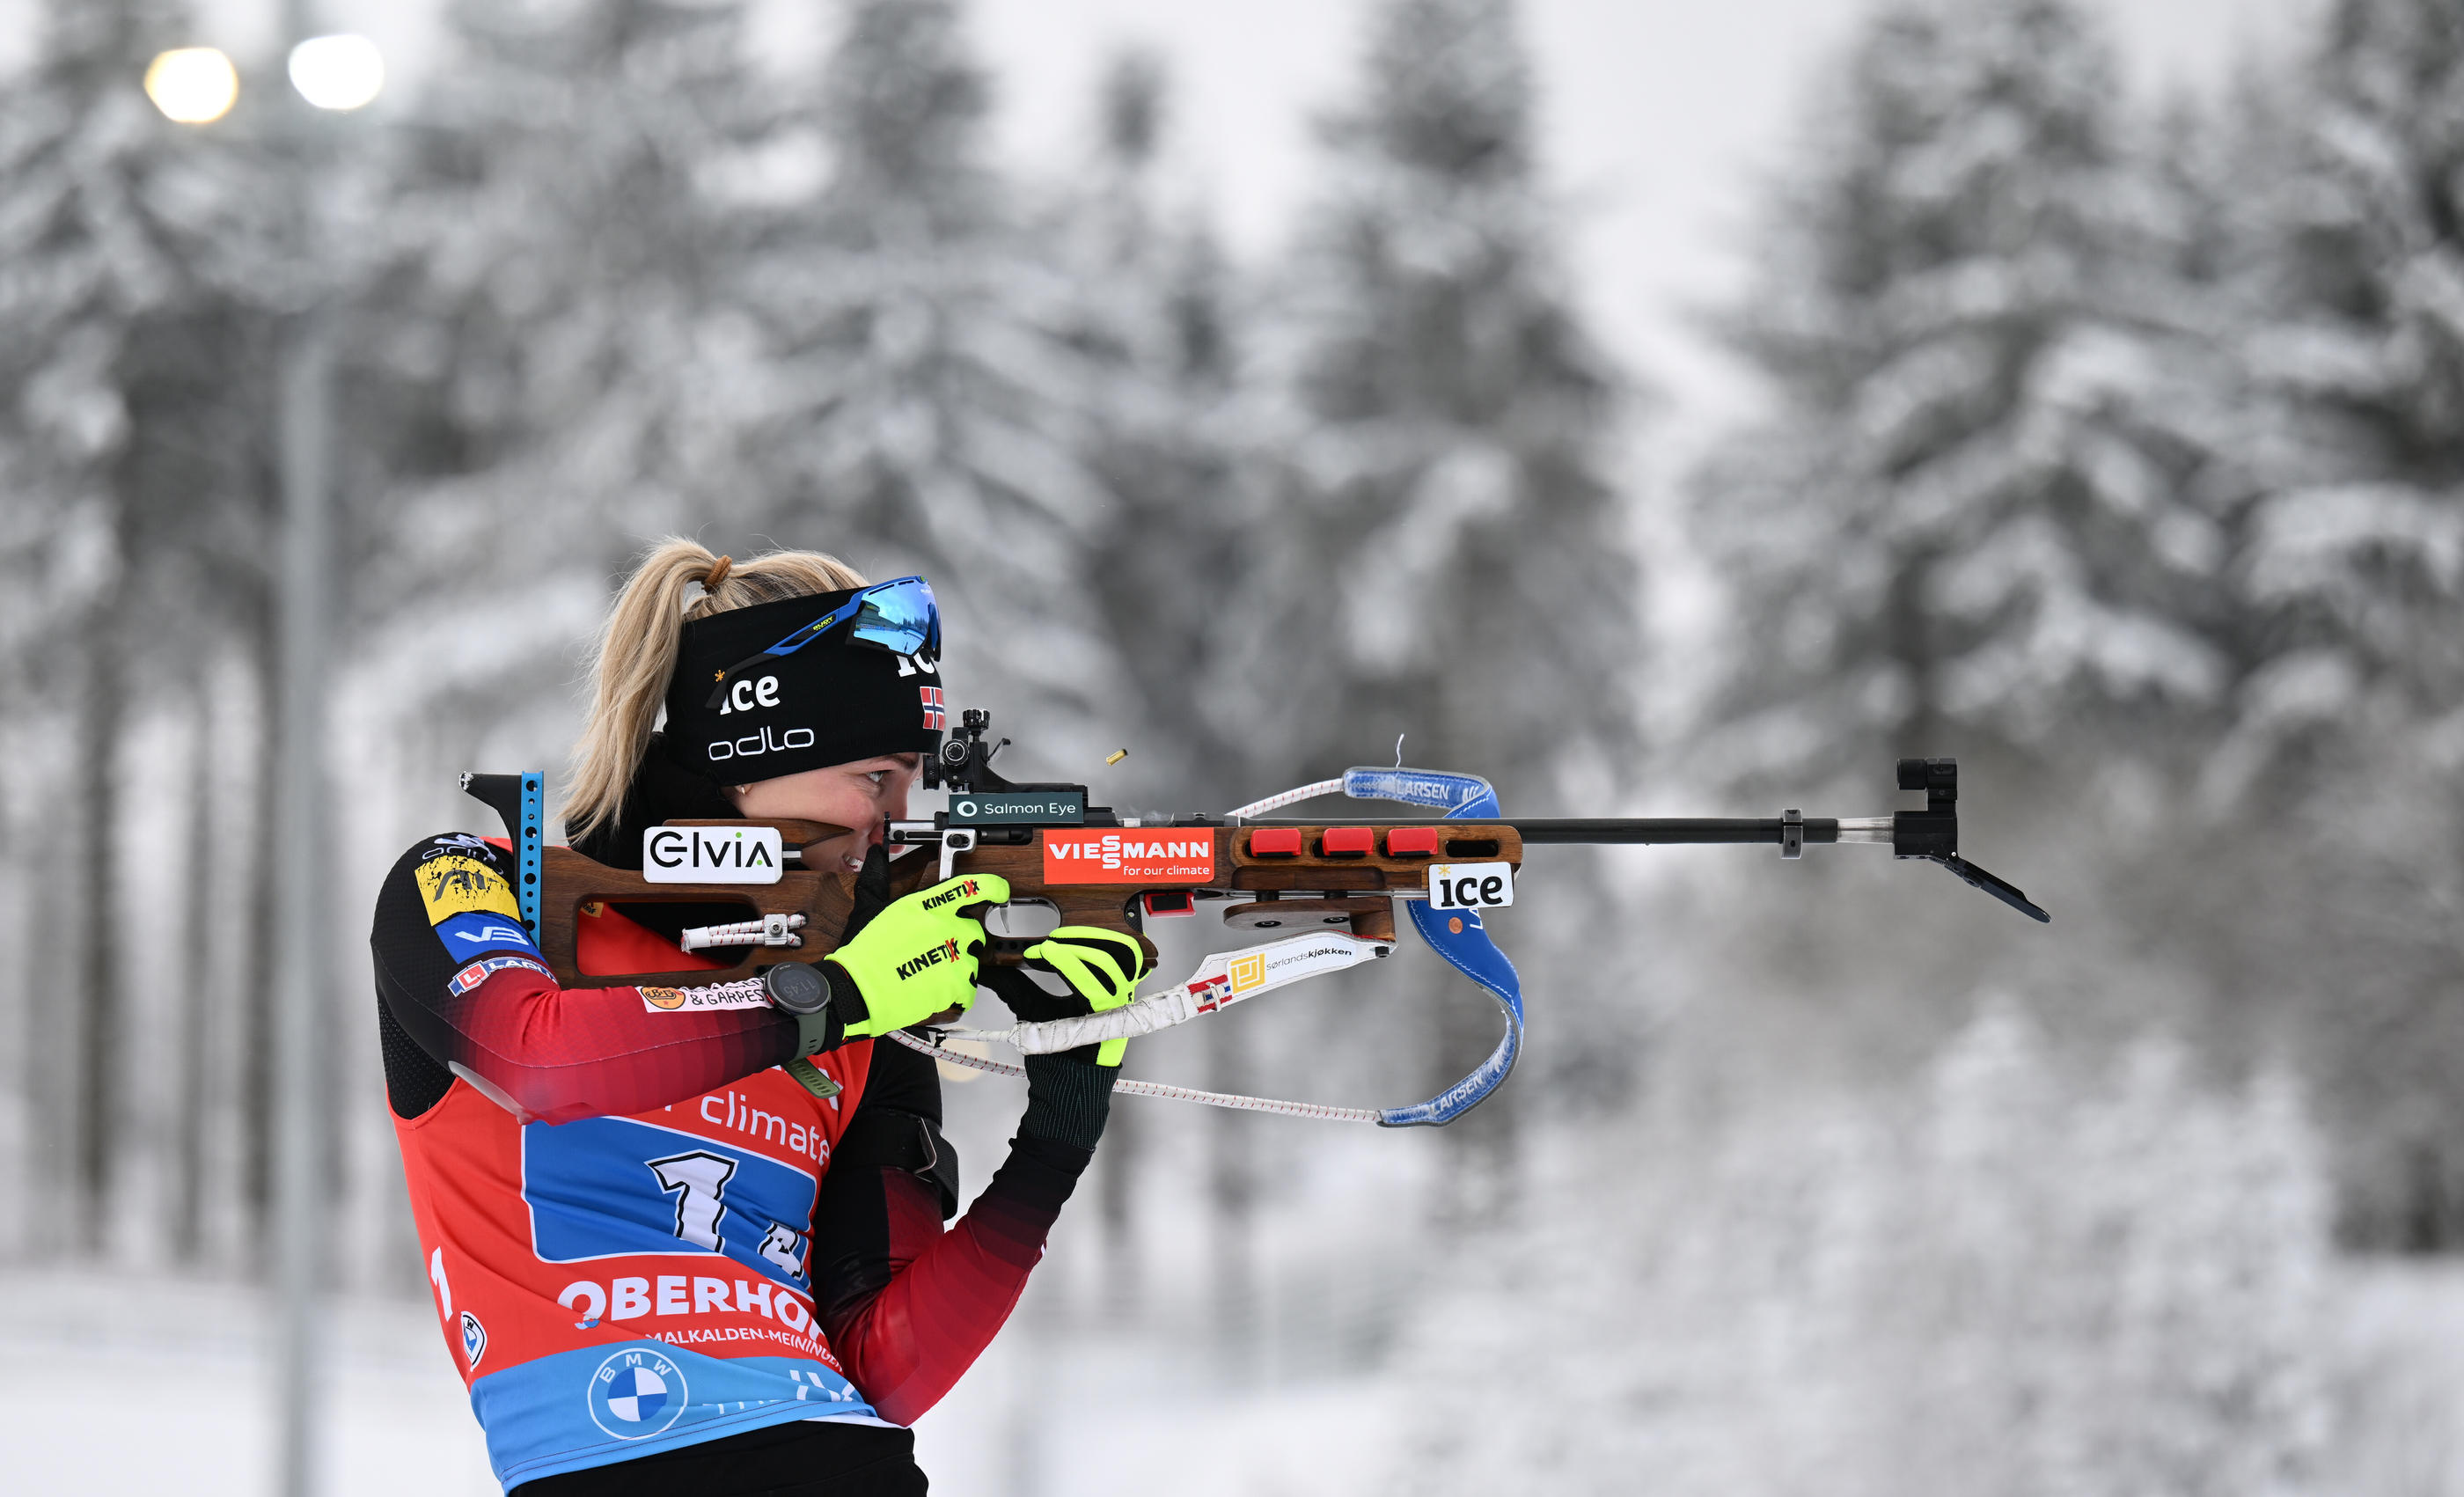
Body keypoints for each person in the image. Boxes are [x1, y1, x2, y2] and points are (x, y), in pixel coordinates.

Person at [370, 540, 1145, 1494]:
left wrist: (1056, 1139)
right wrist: (836, 1001)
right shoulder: (476, 885)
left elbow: (883, 1371)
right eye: (875, 779)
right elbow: (534, 1059)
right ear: (754, 758)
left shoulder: (856, 1005)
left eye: (911, 782)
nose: (900, 821)